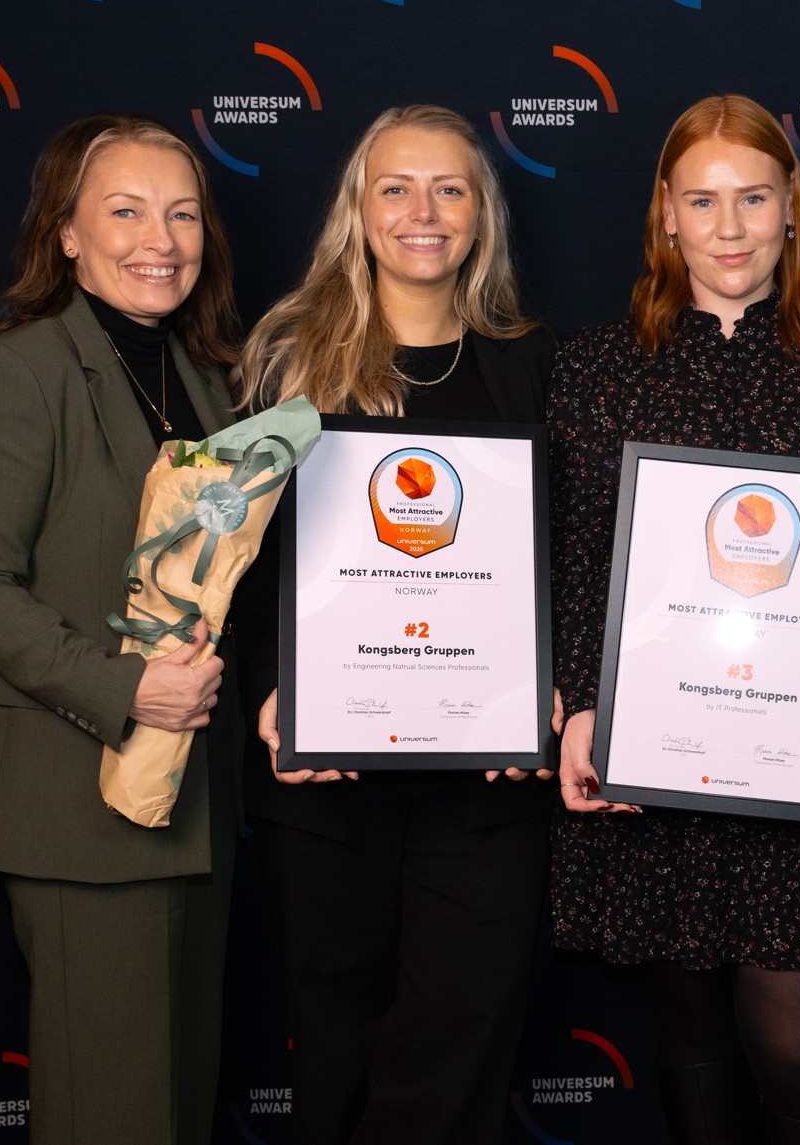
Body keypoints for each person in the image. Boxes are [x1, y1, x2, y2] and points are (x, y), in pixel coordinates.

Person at [549, 93, 800, 1145]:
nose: (728, 227)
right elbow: (580, 559)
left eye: (753, 198)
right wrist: (581, 708)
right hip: (662, 755)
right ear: (664, 215)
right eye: (702, 200)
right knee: (691, 1034)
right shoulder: (596, 368)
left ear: (791, 207)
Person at [234, 104, 557, 1145]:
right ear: (358, 211)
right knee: (338, 1043)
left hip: (484, 783)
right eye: (396, 188)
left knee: (462, 1041)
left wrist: (547, 678)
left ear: (482, 214)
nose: (424, 212)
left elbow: (568, 555)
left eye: (450, 188)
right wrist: (270, 695)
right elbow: (231, 567)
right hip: (328, 780)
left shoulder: (533, 366)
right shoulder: (285, 361)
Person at [0, 114, 241, 1145]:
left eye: (183, 213)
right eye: (126, 210)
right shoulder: (13, 374)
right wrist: (125, 688)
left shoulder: (201, 380)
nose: (161, 237)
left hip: (193, 801)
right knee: (114, 1116)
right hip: (81, 806)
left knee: (176, 1106)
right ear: (65, 232)